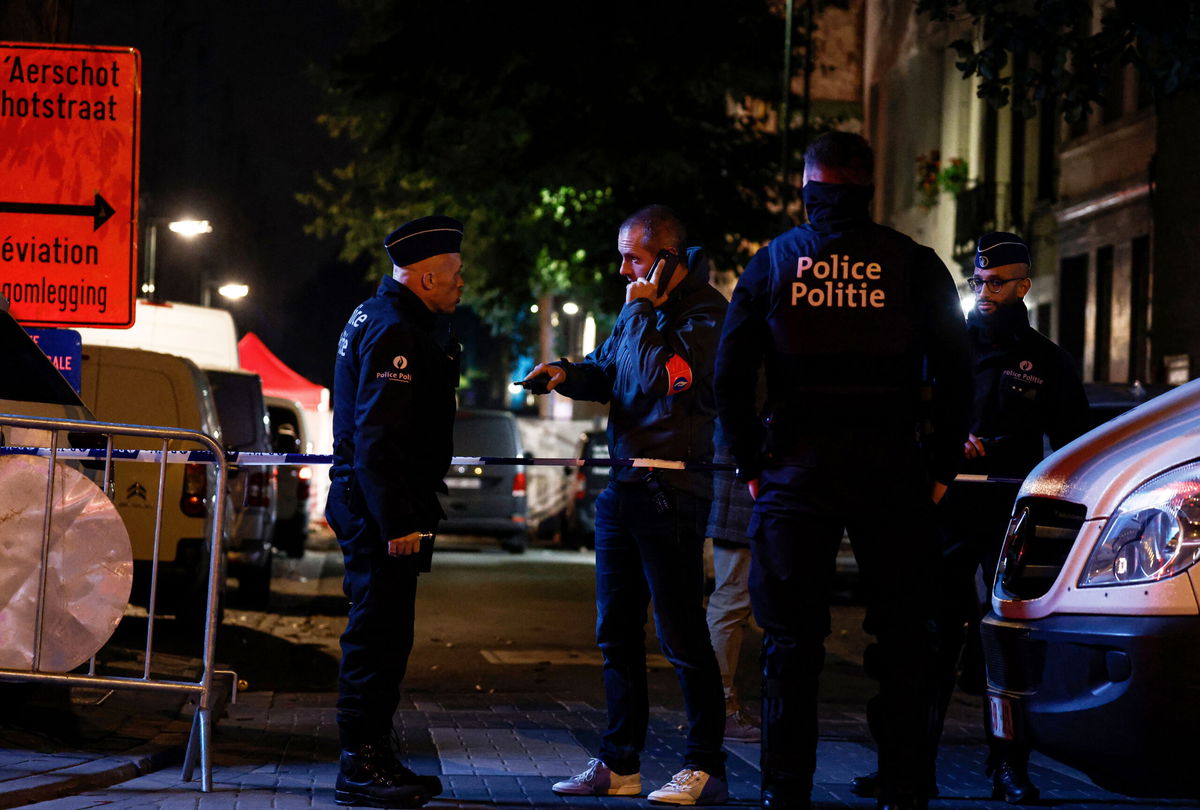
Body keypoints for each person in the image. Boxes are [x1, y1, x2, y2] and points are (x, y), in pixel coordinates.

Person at [714, 132, 972, 810]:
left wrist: (750, 462)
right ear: (868, 188)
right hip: (892, 471)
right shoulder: (913, 265)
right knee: (906, 639)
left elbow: (731, 375)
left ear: (808, 191)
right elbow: (957, 371)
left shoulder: (774, 263)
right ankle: (906, 784)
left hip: (796, 473)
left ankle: (785, 789)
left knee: (790, 645)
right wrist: (941, 465)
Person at [852, 231, 1088, 805]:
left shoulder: (1047, 362)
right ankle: (909, 767)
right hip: (944, 516)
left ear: (1023, 286)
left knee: (1006, 645)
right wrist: (950, 440)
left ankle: (1008, 766)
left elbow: (1074, 445)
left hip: (1010, 524)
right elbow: (905, 419)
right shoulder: (941, 351)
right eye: (979, 281)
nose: (984, 291)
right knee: (926, 642)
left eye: (996, 282)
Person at [525, 205, 730, 806]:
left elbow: (652, 379)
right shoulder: (641, 310)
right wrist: (565, 373)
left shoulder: (707, 315)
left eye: (634, 258)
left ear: (668, 258)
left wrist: (642, 308)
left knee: (682, 634)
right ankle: (620, 763)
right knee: (615, 632)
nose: (623, 271)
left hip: (671, 490)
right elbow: (613, 371)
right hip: (625, 486)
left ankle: (706, 767)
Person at [326, 215, 465, 809]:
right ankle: (361, 765)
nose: (463, 283)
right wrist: (398, 520)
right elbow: (378, 438)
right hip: (383, 509)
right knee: (377, 637)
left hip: (375, 502)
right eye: (456, 274)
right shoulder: (396, 331)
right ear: (428, 277)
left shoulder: (378, 316)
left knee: (384, 634)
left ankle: (375, 756)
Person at [706, 415, 763, 743]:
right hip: (743, 486)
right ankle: (722, 706)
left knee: (734, 599)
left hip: (742, 482)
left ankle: (722, 705)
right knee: (733, 598)